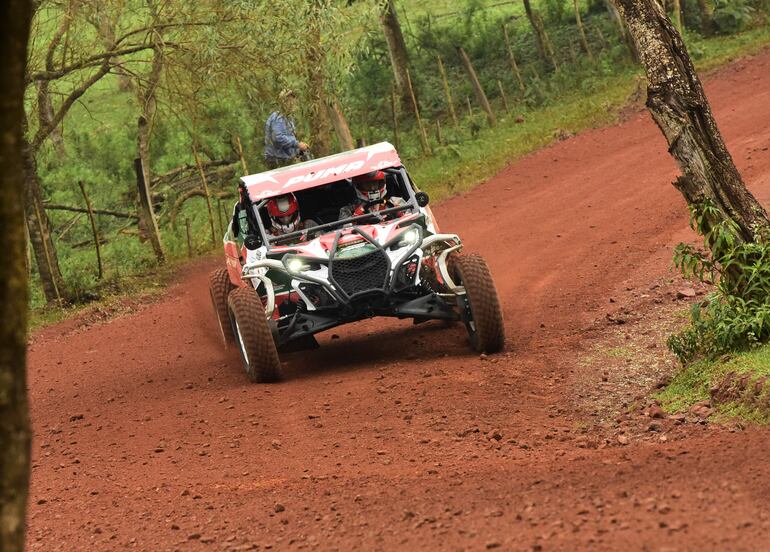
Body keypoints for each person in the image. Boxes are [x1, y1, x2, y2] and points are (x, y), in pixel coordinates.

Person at [263, 89, 309, 169]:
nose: (292, 103)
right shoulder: (278, 117)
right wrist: (297, 144)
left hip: (285, 160)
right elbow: (278, 138)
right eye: (289, 101)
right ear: (283, 102)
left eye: (293, 100)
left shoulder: (288, 118)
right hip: (278, 162)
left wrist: (299, 150)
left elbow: (289, 140)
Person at [338, 171, 405, 220]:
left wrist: (401, 212)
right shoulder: (347, 210)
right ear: (358, 186)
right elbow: (343, 232)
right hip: (363, 237)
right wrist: (354, 219)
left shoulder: (395, 201)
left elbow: (411, 218)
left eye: (375, 184)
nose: (372, 188)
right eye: (368, 185)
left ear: (381, 184)